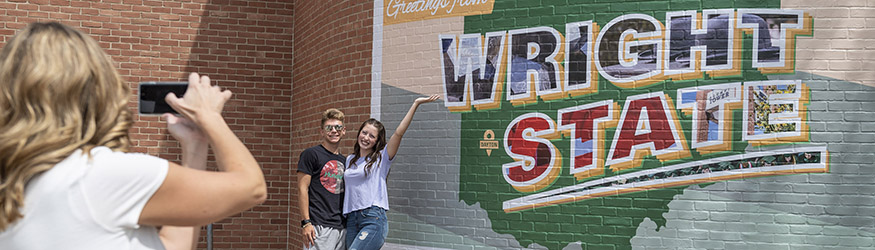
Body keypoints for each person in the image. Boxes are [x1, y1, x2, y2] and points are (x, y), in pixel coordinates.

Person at [0, 22, 267, 250]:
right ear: (96, 89)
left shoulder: (15, 180)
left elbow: (172, 245)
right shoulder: (98, 174)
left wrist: (195, 146)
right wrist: (210, 117)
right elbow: (250, 188)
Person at [343, 94, 440, 249]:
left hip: (372, 218)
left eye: (372, 136)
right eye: (364, 132)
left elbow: (399, 133)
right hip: (352, 219)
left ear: (377, 140)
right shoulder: (350, 160)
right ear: (359, 133)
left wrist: (416, 104)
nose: (366, 137)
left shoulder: (382, 158)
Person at [297, 108, 347, 250]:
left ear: (344, 130)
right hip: (319, 226)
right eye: (329, 127)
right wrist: (306, 223)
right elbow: (302, 189)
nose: (334, 131)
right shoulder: (311, 154)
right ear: (322, 132)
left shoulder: (345, 161)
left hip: (342, 227)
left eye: (338, 127)